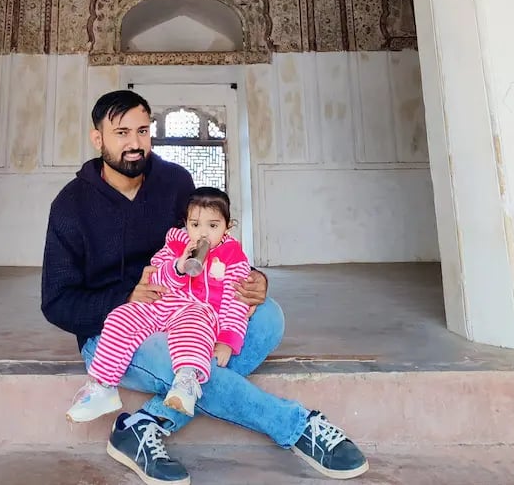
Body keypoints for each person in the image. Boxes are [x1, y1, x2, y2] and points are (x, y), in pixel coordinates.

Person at [42, 90, 369, 484]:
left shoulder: (175, 182)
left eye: (142, 131)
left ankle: (144, 425)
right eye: (122, 133)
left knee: (267, 317)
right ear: (98, 138)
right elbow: (56, 302)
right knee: (186, 362)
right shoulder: (71, 205)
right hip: (118, 331)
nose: (135, 143)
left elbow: (208, 242)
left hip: (189, 310)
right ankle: (298, 427)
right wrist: (124, 296)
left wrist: (252, 279)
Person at [66, 186, 252, 422]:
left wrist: (227, 340)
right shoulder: (176, 245)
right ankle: (102, 387)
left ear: (227, 226)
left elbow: (236, 302)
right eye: (195, 225)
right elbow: (155, 277)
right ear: (186, 224)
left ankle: (186, 383)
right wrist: (178, 267)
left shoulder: (233, 258)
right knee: (120, 317)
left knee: (194, 330)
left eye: (213, 226)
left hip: (198, 310)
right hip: (163, 303)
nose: (202, 233)